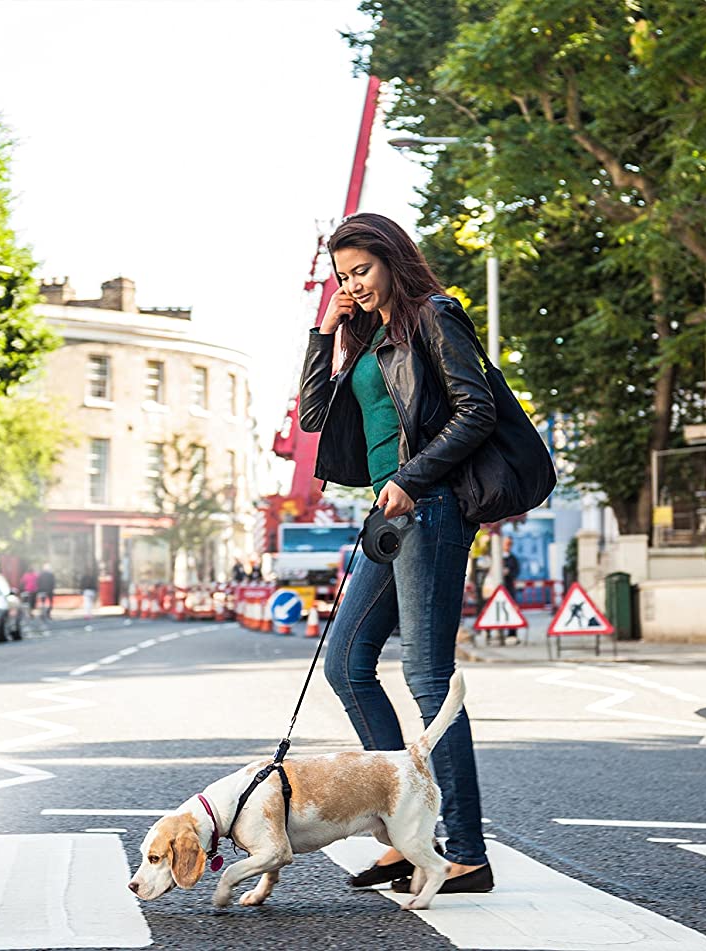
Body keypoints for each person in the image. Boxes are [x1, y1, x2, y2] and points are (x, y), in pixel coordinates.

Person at [298, 212, 495, 895]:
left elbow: (478, 411)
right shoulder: (366, 335)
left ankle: (466, 850)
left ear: (392, 259)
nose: (354, 284)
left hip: (430, 507)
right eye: (343, 276)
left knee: (428, 677)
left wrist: (411, 480)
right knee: (349, 662)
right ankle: (403, 835)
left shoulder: (435, 315)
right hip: (389, 513)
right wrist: (325, 330)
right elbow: (315, 417)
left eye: (362, 270)